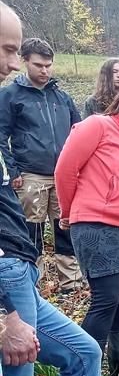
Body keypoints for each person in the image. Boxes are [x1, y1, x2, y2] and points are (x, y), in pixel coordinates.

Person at [0, 1, 119, 376]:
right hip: (6, 286)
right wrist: (5, 314)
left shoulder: (55, 100)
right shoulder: (11, 100)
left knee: (82, 354)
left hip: (19, 274)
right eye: (7, 50)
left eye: (15, 49)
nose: (12, 63)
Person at [54, 84, 119, 376]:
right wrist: (69, 213)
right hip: (98, 225)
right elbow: (65, 170)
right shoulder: (96, 126)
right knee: (106, 300)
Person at [0, 37, 83, 293]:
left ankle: (71, 282)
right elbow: (1, 135)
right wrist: (13, 170)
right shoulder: (11, 96)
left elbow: (79, 133)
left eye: (48, 65)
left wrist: (79, 168)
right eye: (38, 65)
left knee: (65, 227)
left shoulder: (62, 97)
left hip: (63, 175)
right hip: (30, 175)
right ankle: (33, 283)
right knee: (31, 230)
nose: (44, 70)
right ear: (25, 61)